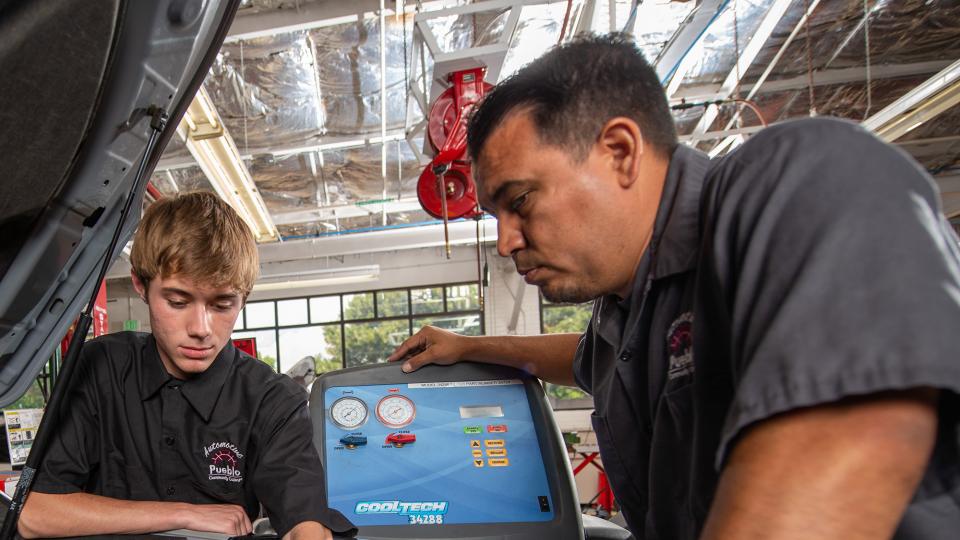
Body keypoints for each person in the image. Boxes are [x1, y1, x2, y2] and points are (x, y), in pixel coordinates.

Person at [389, 34, 960, 539]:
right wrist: (467, 346)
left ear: (620, 152)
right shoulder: (627, 312)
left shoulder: (796, 183)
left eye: (520, 202)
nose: (506, 242)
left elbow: (847, 440)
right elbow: (586, 360)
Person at [19, 192, 356, 539]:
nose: (200, 329)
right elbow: (34, 515)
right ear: (140, 285)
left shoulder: (273, 399)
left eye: (223, 304)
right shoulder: (99, 369)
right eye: (177, 301)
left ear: (245, 297)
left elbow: (305, 520)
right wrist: (184, 514)